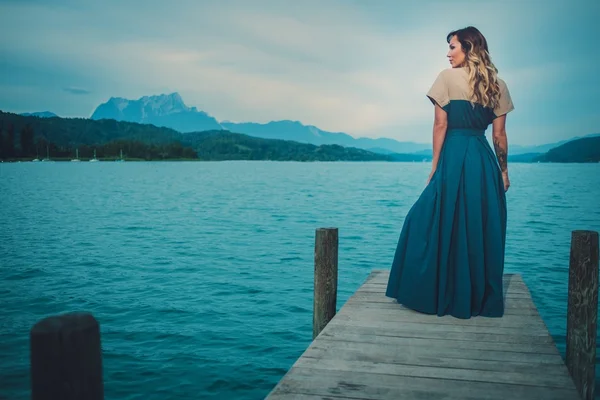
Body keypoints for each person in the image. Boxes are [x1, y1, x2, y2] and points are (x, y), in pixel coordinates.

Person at [385, 26, 514, 319]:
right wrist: (504, 172)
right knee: (476, 226)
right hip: (482, 160)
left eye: (453, 47)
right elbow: (499, 136)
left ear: (468, 48)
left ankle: (434, 290)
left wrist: (434, 166)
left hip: (454, 156)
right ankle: (474, 297)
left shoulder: (445, 79)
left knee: (426, 219)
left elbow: (440, 126)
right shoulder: (498, 84)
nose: (448, 53)